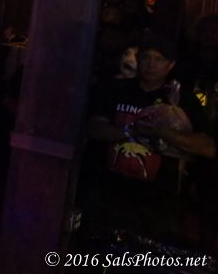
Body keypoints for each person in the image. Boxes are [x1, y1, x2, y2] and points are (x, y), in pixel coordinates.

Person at [85, 34, 214, 243]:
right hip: (108, 195)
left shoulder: (181, 100)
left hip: (156, 204)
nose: (151, 65)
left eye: (159, 59)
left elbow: (208, 147)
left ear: (170, 65)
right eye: (146, 57)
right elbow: (93, 127)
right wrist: (131, 131)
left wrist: (164, 133)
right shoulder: (116, 89)